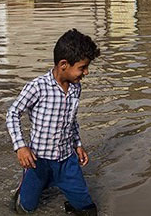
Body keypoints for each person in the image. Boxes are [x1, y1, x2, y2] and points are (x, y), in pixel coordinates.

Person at [6, 29, 101, 215]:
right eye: (82, 68)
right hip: (38, 161)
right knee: (24, 209)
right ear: (64, 64)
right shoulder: (38, 87)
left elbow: (71, 120)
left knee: (88, 211)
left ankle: (64, 193)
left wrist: (78, 144)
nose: (86, 72)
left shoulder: (75, 88)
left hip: (67, 161)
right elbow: (12, 113)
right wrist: (21, 147)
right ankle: (24, 189)